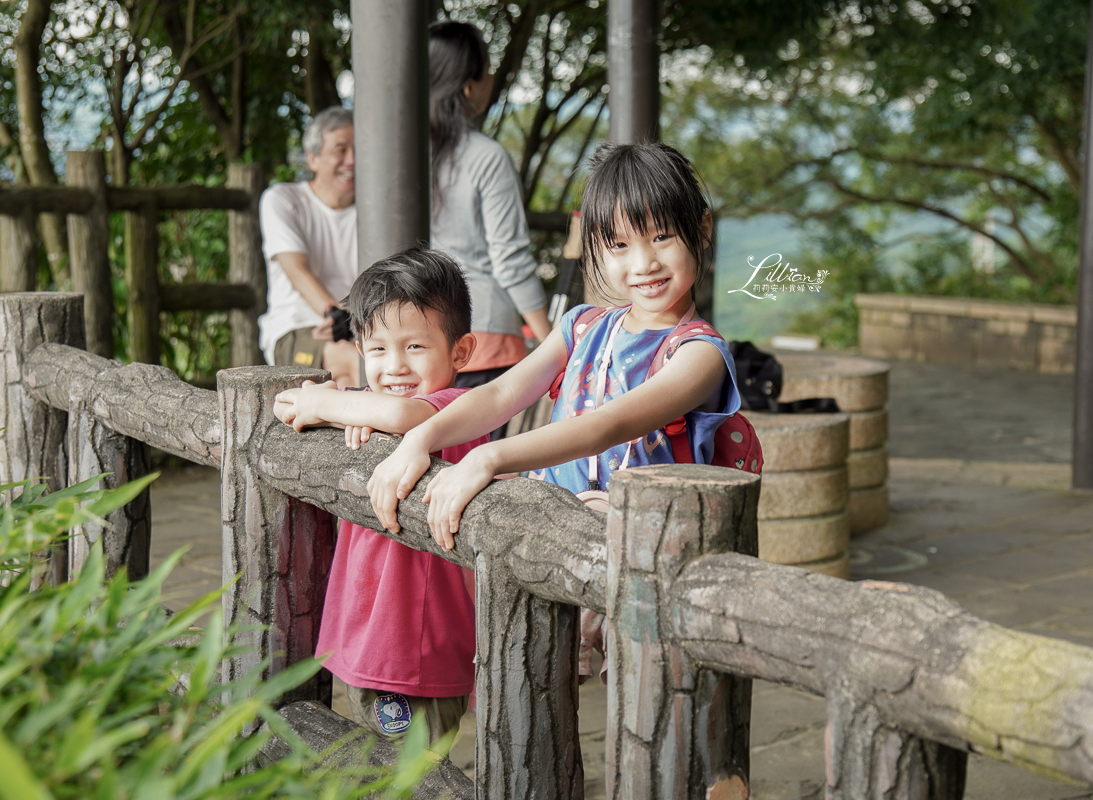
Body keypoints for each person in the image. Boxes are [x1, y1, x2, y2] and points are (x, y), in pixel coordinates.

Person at [366, 139, 760, 552]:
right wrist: (420, 438)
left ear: (702, 230)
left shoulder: (699, 354)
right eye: (620, 245)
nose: (644, 264)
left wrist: (486, 458)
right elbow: (501, 393)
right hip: (554, 538)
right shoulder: (582, 327)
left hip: (641, 553)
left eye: (661, 237)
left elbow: (604, 426)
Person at [272, 248, 485, 752]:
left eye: (415, 346)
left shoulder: (457, 408)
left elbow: (405, 416)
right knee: (377, 761)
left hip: (413, 647)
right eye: (379, 350)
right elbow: (379, 410)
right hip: (369, 631)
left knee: (411, 772)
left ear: (460, 352)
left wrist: (323, 402)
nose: (395, 367)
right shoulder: (380, 408)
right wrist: (355, 410)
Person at [428, 20, 552, 437]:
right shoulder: (486, 157)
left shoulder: (396, 153)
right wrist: (552, 341)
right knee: (476, 464)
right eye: (486, 72)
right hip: (484, 334)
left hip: (417, 336)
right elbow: (510, 258)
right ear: (468, 85)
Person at [258, 106, 360, 387]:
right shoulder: (282, 199)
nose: (352, 160)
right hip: (300, 327)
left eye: (358, 149)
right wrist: (338, 317)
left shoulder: (374, 211)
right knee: (357, 365)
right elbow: (297, 271)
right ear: (312, 158)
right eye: (340, 150)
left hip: (358, 327)